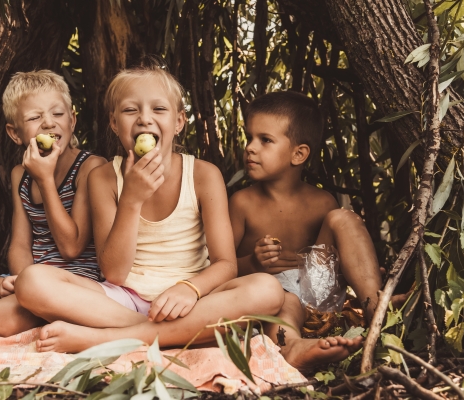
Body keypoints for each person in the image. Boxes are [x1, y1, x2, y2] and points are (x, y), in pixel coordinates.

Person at [14, 58, 284, 353]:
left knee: (266, 289)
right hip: (121, 300)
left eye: (158, 109)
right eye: (131, 110)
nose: (144, 119)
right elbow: (115, 273)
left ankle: (108, 339)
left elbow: (226, 264)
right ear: (115, 124)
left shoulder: (204, 175)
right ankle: (169, 334)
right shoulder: (103, 178)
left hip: (191, 300)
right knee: (31, 281)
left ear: (178, 122)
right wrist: (131, 198)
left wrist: (189, 289)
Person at [229, 91, 379, 372]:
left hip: (321, 293)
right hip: (276, 297)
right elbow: (222, 268)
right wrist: (253, 261)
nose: (250, 147)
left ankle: (375, 306)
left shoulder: (321, 202)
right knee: (284, 299)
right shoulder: (242, 204)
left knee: (343, 219)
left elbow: (337, 262)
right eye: (249, 137)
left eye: (265, 140)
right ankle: (292, 346)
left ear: (298, 154)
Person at [0, 70, 106, 336]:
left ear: (72, 120)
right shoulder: (19, 175)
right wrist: (21, 280)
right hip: (32, 275)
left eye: (58, 114)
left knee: (0, 319)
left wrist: (45, 181)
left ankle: (70, 313)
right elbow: (21, 244)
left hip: (77, 279)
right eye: (35, 118)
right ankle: (44, 308)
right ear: (15, 133)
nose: (48, 123)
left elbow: (71, 247)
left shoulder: (90, 168)